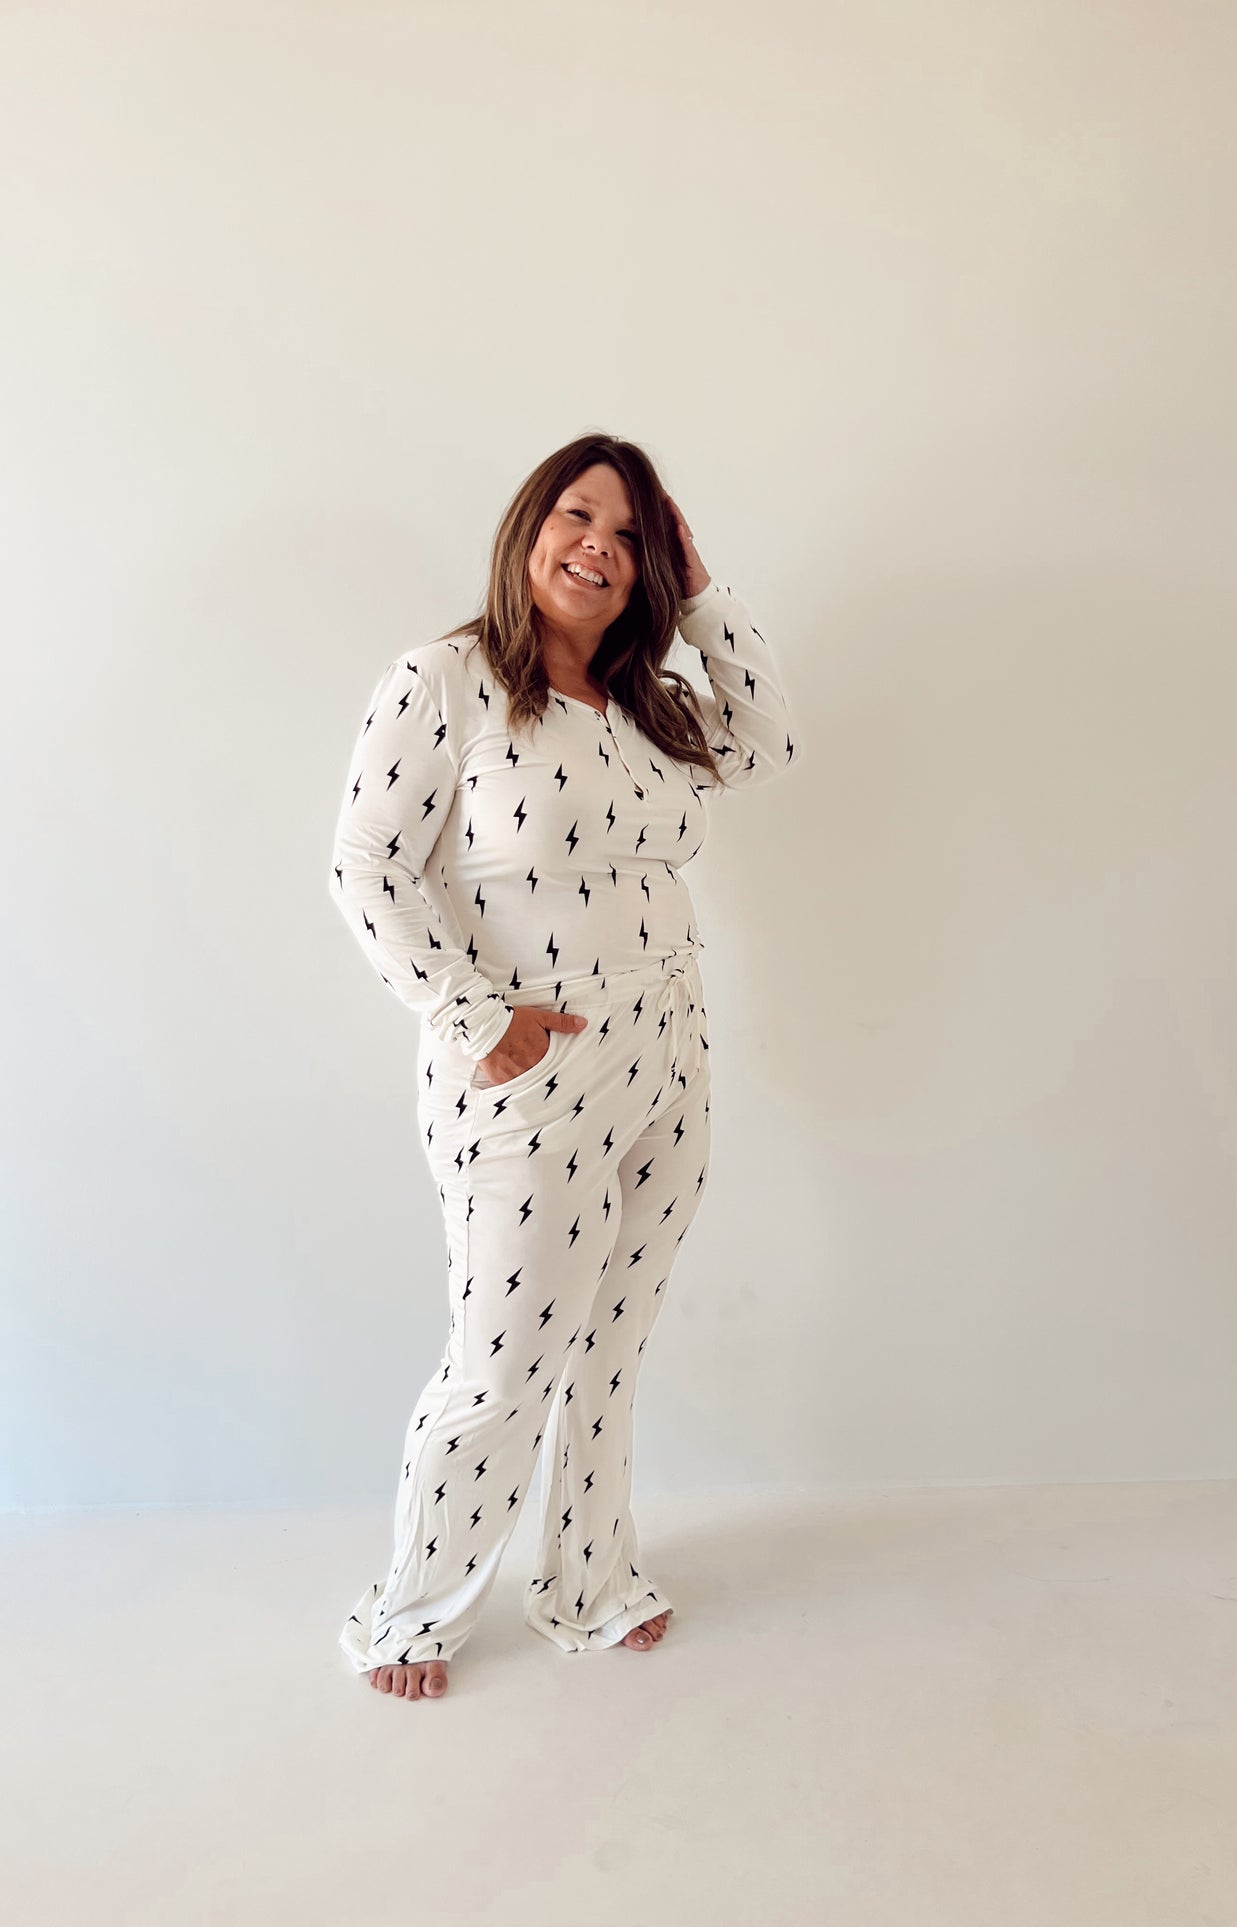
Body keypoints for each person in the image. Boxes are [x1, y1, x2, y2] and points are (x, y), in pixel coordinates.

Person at [328, 432, 801, 1701]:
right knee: (502, 1358)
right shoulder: (445, 681)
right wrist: (482, 1020)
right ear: (529, 523)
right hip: (528, 1068)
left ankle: (587, 1579)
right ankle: (414, 1609)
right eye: (579, 515)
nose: (599, 545)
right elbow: (364, 866)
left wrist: (701, 597)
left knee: (610, 1336)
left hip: (669, 1046)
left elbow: (769, 739)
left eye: (632, 534)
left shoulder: (654, 702)